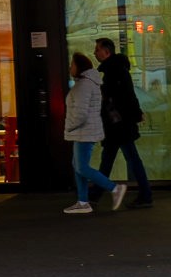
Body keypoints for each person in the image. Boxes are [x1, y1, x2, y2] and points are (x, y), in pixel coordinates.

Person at [93, 38, 151, 209]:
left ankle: (145, 195)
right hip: (119, 124)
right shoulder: (116, 69)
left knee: (126, 159)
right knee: (117, 159)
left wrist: (135, 113)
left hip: (118, 125)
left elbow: (124, 96)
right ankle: (95, 195)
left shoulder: (113, 71)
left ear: (106, 52)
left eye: (97, 50)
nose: (95, 53)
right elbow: (128, 95)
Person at [62, 50, 116, 213]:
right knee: (78, 165)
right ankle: (83, 201)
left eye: (72, 65)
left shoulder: (84, 85)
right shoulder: (87, 83)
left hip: (83, 132)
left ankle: (114, 188)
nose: (70, 68)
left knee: (82, 168)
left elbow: (80, 113)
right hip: (84, 131)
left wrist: (68, 125)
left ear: (79, 67)